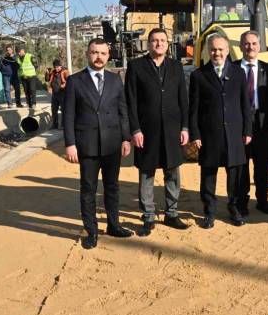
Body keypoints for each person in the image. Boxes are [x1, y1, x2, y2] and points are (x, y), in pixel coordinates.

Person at [63, 38, 132, 249]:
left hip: (112, 144)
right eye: (95, 52)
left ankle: (113, 225)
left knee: (112, 187)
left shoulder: (115, 79)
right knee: (88, 189)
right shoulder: (75, 81)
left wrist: (126, 138)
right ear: (87, 54)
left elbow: (123, 112)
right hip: (88, 145)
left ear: (108, 56)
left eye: (103, 53)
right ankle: (91, 231)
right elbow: (68, 115)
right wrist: (70, 144)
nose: (99, 57)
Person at [125, 28, 190, 236]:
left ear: (167, 43)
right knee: (146, 173)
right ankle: (148, 216)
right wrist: (135, 129)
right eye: (154, 40)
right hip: (147, 132)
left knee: (172, 172)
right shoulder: (136, 67)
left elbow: (183, 100)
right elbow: (131, 101)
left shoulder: (176, 67)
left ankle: (172, 213)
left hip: (172, 130)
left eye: (162, 40)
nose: (158, 43)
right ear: (149, 44)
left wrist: (185, 127)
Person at [189, 33, 252, 229]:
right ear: (208, 50)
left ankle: (234, 209)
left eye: (220, 49)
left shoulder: (238, 72)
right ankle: (209, 212)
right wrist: (195, 134)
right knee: (209, 175)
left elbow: (245, 105)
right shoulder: (198, 75)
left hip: (234, 134)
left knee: (234, 175)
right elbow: (194, 109)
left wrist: (247, 130)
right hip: (209, 135)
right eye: (213, 49)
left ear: (227, 51)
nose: (217, 53)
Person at [233, 30, 268, 216]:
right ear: (241, 46)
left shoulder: (267, 69)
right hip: (239, 125)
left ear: (259, 46)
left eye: (254, 43)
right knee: (242, 165)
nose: (250, 47)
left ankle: (263, 201)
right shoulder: (232, 68)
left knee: (263, 165)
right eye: (247, 43)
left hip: (262, 125)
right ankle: (242, 202)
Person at [45, 59, 69, 129]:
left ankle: (63, 125)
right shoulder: (53, 72)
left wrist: (64, 86)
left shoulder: (65, 71)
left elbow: (70, 81)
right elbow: (47, 79)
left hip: (63, 93)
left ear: (61, 66)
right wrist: (47, 73)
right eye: (55, 67)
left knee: (64, 110)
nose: (56, 68)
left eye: (58, 67)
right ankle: (55, 125)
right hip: (55, 94)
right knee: (54, 110)